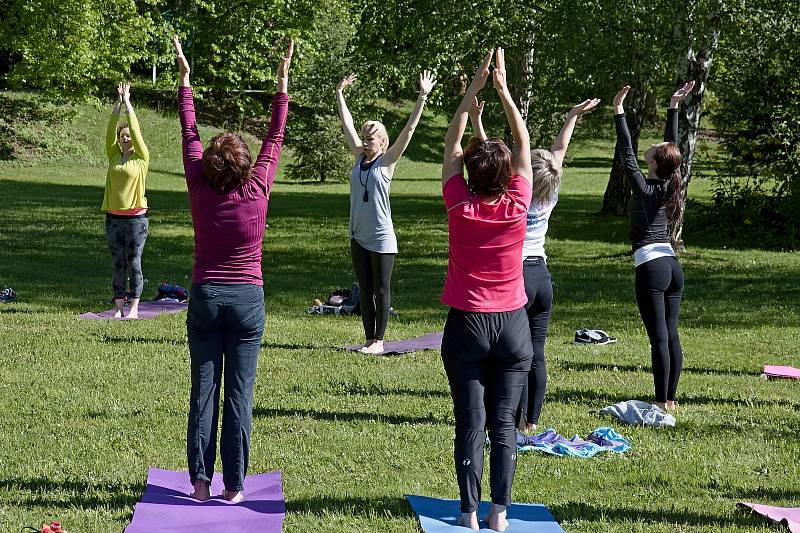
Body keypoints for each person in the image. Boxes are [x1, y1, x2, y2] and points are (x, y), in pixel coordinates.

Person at [173, 35, 293, 502]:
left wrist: (185, 81)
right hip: (246, 300)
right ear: (244, 165)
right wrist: (281, 84)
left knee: (203, 392)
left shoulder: (199, 187)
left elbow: (188, 131)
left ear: (211, 165)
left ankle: (200, 483)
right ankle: (234, 486)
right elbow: (275, 134)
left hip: (205, 296)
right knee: (238, 397)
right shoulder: (258, 186)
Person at [439, 48, 533, 532]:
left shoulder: (459, 204)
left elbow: (452, 148)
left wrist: (471, 94)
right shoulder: (519, 200)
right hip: (513, 325)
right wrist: (504, 93)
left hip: (468, 323)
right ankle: (500, 513)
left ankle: (468, 512)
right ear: (507, 176)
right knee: (504, 424)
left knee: (471, 423)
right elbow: (522, 142)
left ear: (472, 174)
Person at [335, 70, 436, 354]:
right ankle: (369, 340)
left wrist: (422, 97)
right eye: (364, 139)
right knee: (364, 290)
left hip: (381, 237)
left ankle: (379, 341)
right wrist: (340, 93)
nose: (365, 143)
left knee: (381, 290)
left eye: (371, 139)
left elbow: (409, 130)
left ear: (382, 143)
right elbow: (347, 124)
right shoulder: (358, 158)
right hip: (357, 234)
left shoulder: (388, 161)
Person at [613, 81, 695, 412]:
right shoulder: (668, 182)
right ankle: (670, 397)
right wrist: (674, 106)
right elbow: (672, 147)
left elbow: (626, 152)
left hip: (652, 267)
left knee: (659, 338)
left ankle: (662, 400)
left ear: (654, 162)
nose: (652, 145)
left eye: (655, 147)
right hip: (672, 265)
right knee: (671, 335)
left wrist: (619, 111)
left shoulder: (646, 190)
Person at [102, 82, 150, 319]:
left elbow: (137, 130)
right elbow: (110, 130)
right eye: (123, 137)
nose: (126, 139)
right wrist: (117, 104)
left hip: (136, 219)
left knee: (134, 263)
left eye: (128, 136)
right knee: (117, 264)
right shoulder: (113, 156)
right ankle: (119, 309)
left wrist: (129, 103)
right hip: (113, 218)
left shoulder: (141, 158)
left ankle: (134, 308)